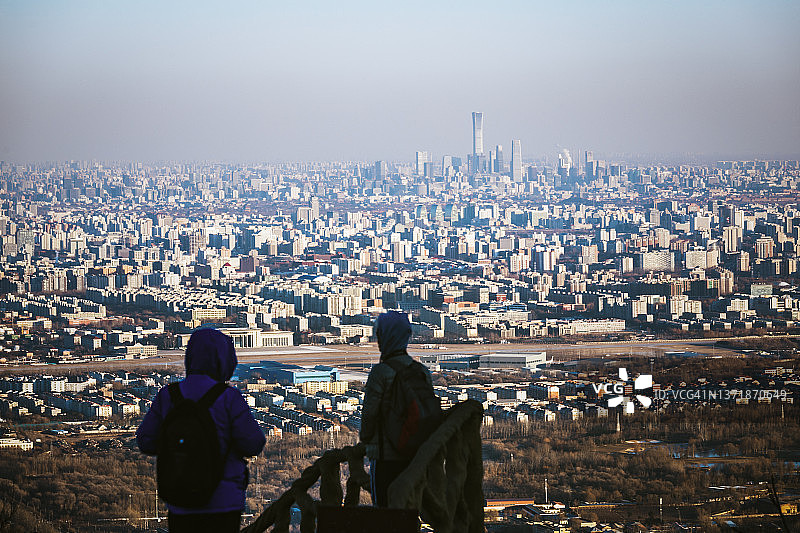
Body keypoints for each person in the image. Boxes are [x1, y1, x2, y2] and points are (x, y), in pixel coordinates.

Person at [136, 328, 266, 533]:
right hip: (224, 501)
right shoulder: (229, 398)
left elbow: (146, 441)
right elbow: (253, 444)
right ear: (225, 360)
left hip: (180, 499)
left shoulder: (168, 396)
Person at [360, 311, 434, 508]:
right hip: (417, 456)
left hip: (386, 455)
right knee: (410, 511)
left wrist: (365, 442)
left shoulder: (381, 372)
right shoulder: (421, 371)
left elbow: (369, 414)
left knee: (385, 511)